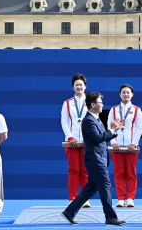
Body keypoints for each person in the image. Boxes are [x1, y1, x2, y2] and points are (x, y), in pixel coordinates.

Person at [61, 91, 126, 226]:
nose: (102, 105)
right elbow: (97, 138)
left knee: (90, 189)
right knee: (105, 186)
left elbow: (101, 137)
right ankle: (110, 217)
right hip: (94, 159)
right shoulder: (88, 120)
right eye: (100, 102)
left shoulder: (95, 118)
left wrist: (114, 130)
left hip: (98, 158)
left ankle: (70, 211)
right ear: (93, 104)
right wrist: (112, 131)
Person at [107, 84, 142, 208]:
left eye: (128, 92)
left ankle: (130, 198)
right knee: (119, 173)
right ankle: (121, 198)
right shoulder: (113, 110)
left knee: (131, 173)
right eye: (123, 92)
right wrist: (113, 142)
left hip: (130, 147)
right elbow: (109, 127)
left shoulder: (137, 110)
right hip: (117, 146)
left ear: (132, 95)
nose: (126, 94)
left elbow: (139, 128)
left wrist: (133, 143)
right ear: (119, 94)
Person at [61, 74, 90, 206]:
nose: (79, 87)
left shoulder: (90, 102)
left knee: (85, 170)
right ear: (73, 87)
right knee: (74, 170)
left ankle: (85, 199)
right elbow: (64, 121)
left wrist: (87, 137)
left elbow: (94, 121)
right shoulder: (67, 103)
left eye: (81, 84)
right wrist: (70, 137)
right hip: (71, 142)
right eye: (76, 85)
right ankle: (72, 198)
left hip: (86, 142)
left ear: (85, 86)